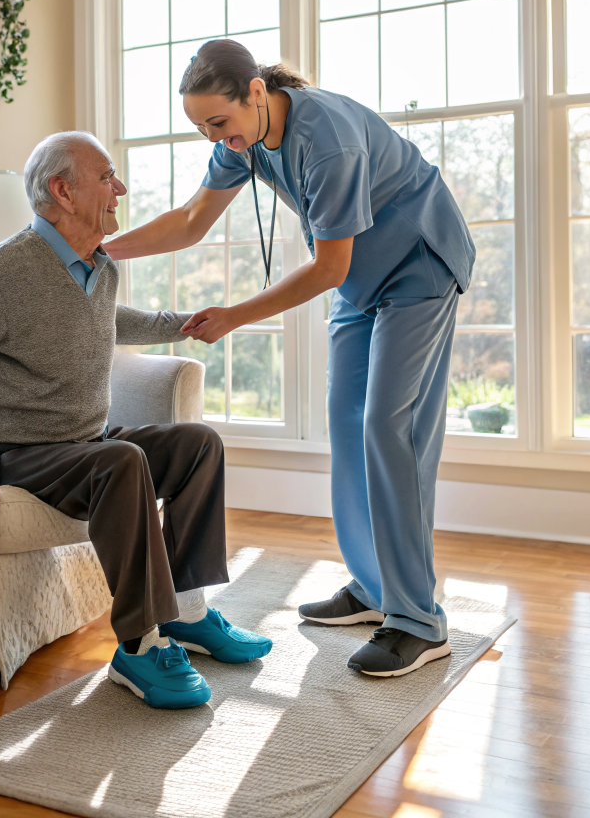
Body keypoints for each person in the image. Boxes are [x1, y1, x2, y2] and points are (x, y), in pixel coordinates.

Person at [105, 40, 475, 678]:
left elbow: (329, 266)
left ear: (255, 92)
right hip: (364, 282)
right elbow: (192, 220)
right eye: (200, 129)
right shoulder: (241, 141)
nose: (214, 139)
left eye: (218, 123)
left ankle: (419, 619)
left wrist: (234, 316)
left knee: (391, 426)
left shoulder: (326, 138)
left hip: (419, 264)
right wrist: (102, 249)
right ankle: (373, 588)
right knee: (347, 423)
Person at [0, 130, 272, 710]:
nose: (121, 188)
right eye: (106, 177)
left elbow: (109, 319)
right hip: (8, 450)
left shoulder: (97, 265)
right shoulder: (7, 273)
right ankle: (138, 648)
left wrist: (184, 322)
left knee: (198, 445)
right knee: (123, 460)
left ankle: (187, 611)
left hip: (78, 444)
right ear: (63, 191)